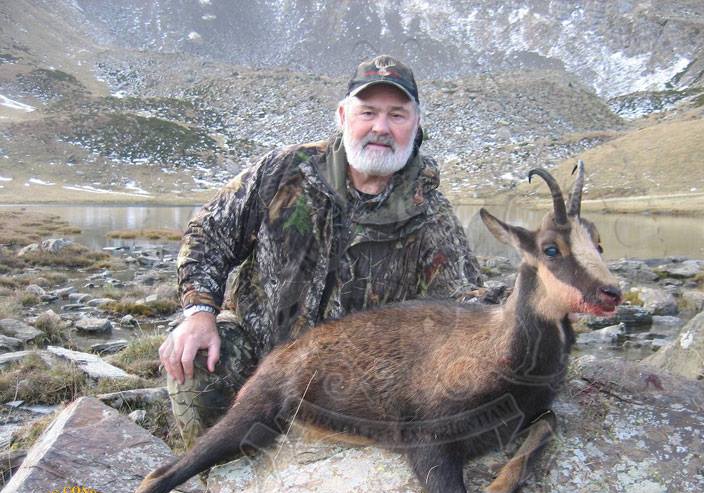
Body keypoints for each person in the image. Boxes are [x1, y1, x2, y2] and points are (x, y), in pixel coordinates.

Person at [159, 55, 483, 447]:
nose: (381, 128)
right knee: (193, 358)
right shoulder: (284, 171)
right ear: (343, 115)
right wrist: (198, 312)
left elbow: (464, 306)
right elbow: (208, 236)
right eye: (368, 113)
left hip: (351, 388)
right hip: (257, 353)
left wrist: (535, 303)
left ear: (416, 126)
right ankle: (213, 479)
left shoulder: (429, 211)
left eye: (397, 115)